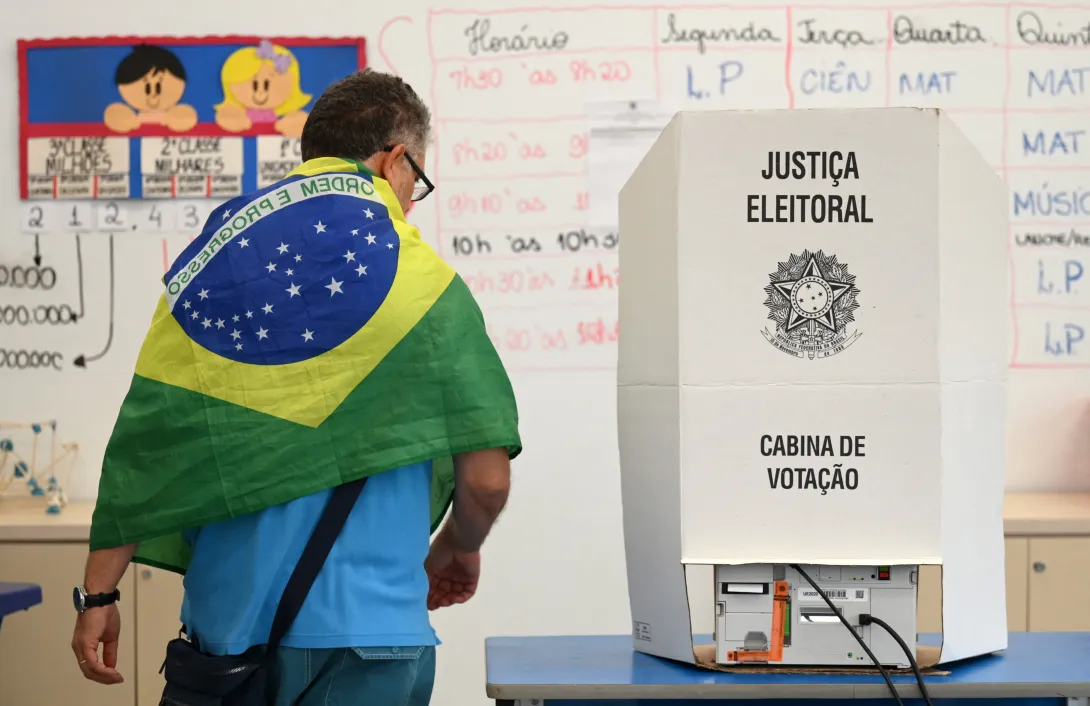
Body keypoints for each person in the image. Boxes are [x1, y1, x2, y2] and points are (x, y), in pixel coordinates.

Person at [71, 69, 521, 706]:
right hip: (373, 636)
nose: (411, 200)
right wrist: (456, 546)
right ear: (396, 160)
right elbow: (486, 479)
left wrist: (99, 595)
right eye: (414, 182)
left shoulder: (211, 271)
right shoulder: (426, 291)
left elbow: (150, 444)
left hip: (228, 639)